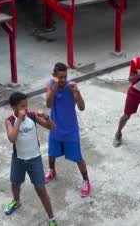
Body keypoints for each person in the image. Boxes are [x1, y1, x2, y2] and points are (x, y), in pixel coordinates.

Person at [4, 92, 58, 226]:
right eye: (22, 106)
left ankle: (51, 218)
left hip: (35, 159)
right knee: (15, 183)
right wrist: (19, 121)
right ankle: (16, 201)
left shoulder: (32, 116)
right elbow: (12, 138)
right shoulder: (9, 121)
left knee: (41, 189)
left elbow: (52, 127)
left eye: (26, 105)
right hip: (18, 159)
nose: (26, 109)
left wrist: (46, 117)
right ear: (14, 108)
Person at [44, 63, 91, 197]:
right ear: (54, 76)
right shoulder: (49, 84)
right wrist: (53, 86)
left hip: (70, 129)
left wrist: (77, 92)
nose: (63, 80)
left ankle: (86, 180)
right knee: (51, 153)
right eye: (60, 77)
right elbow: (48, 103)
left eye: (65, 77)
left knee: (78, 157)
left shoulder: (71, 87)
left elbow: (82, 107)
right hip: (55, 127)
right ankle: (52, 170)